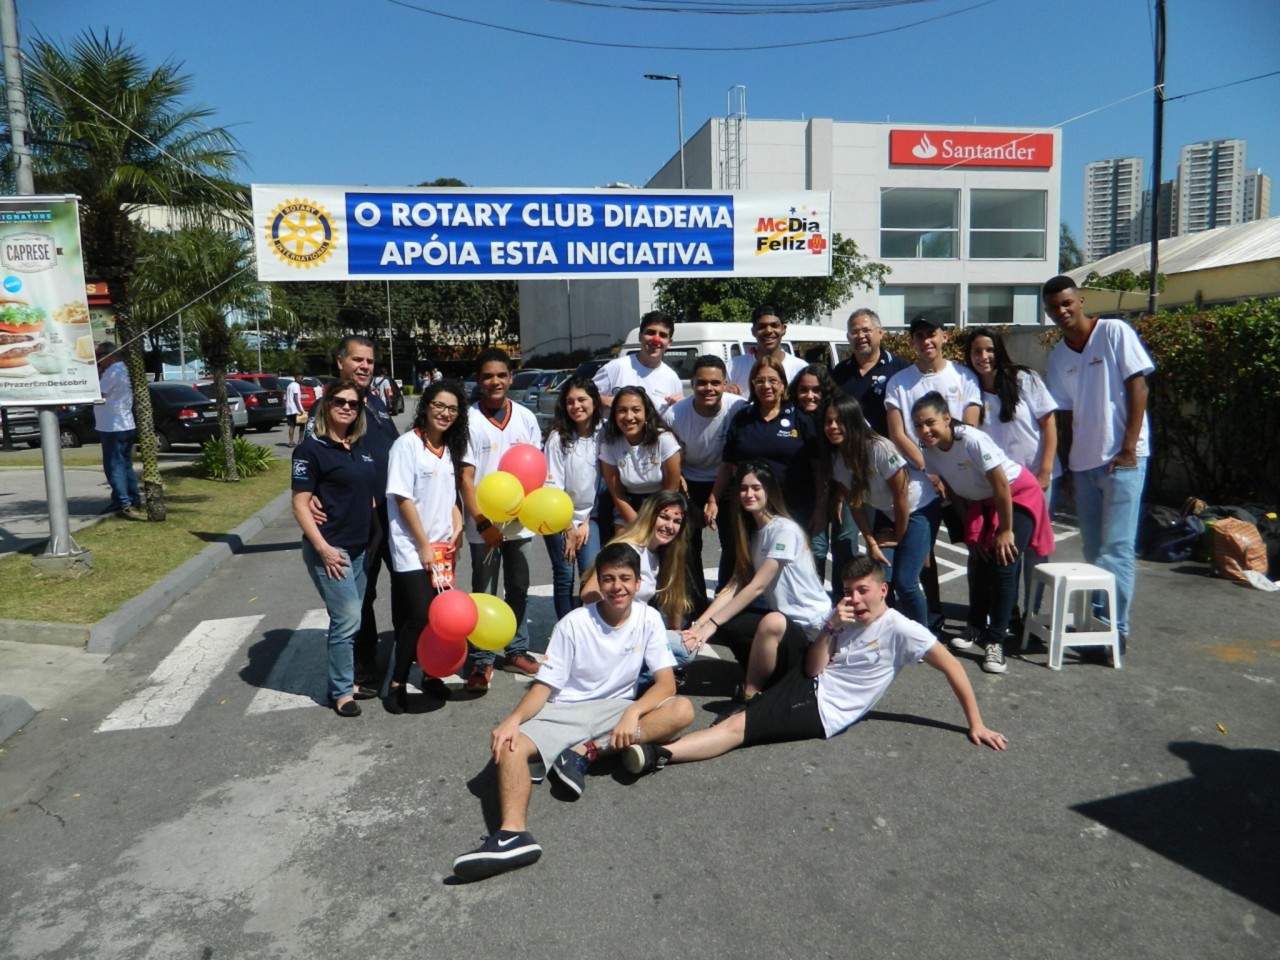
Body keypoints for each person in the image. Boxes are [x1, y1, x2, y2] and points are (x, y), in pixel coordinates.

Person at [622, 556, 1007, 776]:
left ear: (883, 590)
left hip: (824, 707)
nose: (855, 599)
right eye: (849, 590)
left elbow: (952, 666)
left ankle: (659, 754)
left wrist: (976, 723)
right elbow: (813, 666)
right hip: (811, 679)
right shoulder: (844, 615)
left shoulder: (903, 630)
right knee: (771, 621)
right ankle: (743, 689)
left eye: (864, 590)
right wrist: (832, 626)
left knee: (736, 730)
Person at [451, 542, 695, 882]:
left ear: (638, 583)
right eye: (608, 579)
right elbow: (544, 687)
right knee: (510, 745)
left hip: (616, 710)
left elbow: (666, 684)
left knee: (682, 709)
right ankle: (512, 836)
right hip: (567, 710)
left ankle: (585, 752)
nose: (617, 587)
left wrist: (633, 713)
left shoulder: (648, 618)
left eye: (625, 578)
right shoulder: (574, 623)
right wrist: (513, 720)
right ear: (598, 583)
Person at [1043, 276, 1154, 651]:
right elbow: (1064, 416)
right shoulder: (1058, 357)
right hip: (1083, 465)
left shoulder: (1113, 332)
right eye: (1053, 307)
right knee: (1092, 551)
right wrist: (1068, 464)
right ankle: (1094, 623)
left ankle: (1115, 629)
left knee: (1117, 548)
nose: (1061, 311)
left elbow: (1139, 387)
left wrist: (1128, 448)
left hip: (1123, 460)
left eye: (1066, 303)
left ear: (1080, 301)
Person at [911, 392, 1054, 674]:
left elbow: (1001, 484)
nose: (924, 430)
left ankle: (996, 640)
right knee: (978, 560)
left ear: (947, 419)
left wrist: (1006, 530)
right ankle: (975, 626)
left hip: (1016, 495)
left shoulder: (972, 440)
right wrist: (970, 527)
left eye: (930, 422)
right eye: (918, 425)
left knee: (1003, 562)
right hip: (982, 502)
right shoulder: (929, 451)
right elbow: (952, 489)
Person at [681, 462, 831, 708]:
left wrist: (712, 625)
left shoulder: (785, 530)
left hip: (810, 626)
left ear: (769, 491)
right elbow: (734, 585)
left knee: (728, 622)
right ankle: (769, 673)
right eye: (743, 489)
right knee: (729, 623)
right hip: (787, 622)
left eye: (756, 488)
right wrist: (699, 625)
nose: (749, 494)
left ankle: (761, 689)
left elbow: (757, 587)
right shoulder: (755, 536)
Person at [308, 336, 402, 687]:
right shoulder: (331, 405)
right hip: (358, 519)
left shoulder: (375, 401)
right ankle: (363, 664)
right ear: (340, 362)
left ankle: (407, 651)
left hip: (392, 513)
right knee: (362, 594)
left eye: (369, 361)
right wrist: (311, 493)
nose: (364, 366)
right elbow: (312, 453)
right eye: (357, 360)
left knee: (405, 583)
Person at [291, 380, 380, 717]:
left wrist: (373, 530)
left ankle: (347, 680)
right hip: (331, 549)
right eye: (340, 401)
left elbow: (365, 494)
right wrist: (323, 548)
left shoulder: (359, 447)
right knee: (347, 618)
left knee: (351, 620)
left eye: (353, 404)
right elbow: (300, 505)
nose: (346, 407)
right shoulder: (310, 450)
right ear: (326, 405)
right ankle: (341, 692)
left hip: (360, 548)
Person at [963, 326, 1059, 632]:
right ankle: (1008, 614)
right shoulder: (971, 390)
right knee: (1005, 548)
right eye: (976, 351)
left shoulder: (1023, 379)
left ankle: (1033, 614)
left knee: (1034, 550)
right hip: (1000, 485)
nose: (983, 356)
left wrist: (1045, 470)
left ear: (999, 351)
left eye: (989, 349)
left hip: (1035, 479)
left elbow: (1049, 424)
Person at [459, 348, 543, 691]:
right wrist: (482, 523)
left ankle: (516, 649)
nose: (495, 381)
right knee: (485, 591)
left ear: (511, 377)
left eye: (501, 375)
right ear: (478, 380)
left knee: (519, 587)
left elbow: (536, 470)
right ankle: (481, 658)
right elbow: (465, 478)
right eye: (487, 376)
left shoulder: (526, 417)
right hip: (484, 525)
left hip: (521, 521)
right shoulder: (469, 420)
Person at [382, 380, 468, 714]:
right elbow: (402, 499)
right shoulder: (407, 445)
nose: (445, 413)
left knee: (440, 618)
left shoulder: (449, 448)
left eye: (453, 409)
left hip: (443, 548)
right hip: (412, 546)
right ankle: (397, 682)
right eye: (439, 405)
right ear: (426, 406)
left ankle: (432, 673)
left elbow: (451, 497)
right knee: (419, 615)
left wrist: (458, 525)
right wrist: (421, 544)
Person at [821, 392, 941, 626]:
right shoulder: (837, 460)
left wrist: (899, 536)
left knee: (906, 582)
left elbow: (901, 496)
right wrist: (872, 543)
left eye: (839, 420)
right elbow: (855, 504)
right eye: (828, 421)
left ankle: (923, 636)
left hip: (919, 507)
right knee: (881, 581)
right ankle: (887, 630)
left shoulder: (879, 448)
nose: (833, 427)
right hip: (888, 513)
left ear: (854, 420)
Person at [709, 355, 825, 590]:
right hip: (750, 507)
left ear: (783, 384)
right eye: (759, 381)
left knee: (794, 566)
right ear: (752, 384)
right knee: (741, 560)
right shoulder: (742, 418)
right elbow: (727, 464)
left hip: (794, 507)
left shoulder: (800, 418)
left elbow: (819, 468)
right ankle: (733, 610)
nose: (766, 386)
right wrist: (713, 499)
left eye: (772, 380)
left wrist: (821, 509)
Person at [580, 490, 702, 667]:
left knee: (687, 645)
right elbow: (589, 594)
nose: (670, 526)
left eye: (677, 521)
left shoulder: (661, 554)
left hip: (636, 632)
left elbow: (673, 599)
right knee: (681, 652)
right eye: (664, 517)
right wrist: (623, 622)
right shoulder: (628, 548)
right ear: (650, 515)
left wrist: (676, 632)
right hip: (610, 633)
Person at [660, 355, 746, 597]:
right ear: (692, 384)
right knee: (687, 546)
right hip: (689, 482)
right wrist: (686, 495)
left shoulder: (738, 408)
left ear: (725, 384)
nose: (709, 388)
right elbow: (669, 461)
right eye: (702, 383)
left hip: (727, 482)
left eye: (715, 383)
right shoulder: (674, 416)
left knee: (733, 544)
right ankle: (695, 602)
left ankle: (724, 598)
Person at [543, 377, 605, 620]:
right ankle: (565, 629)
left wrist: (587, 521)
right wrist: (568, 527)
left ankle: (588, 628)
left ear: (594, 401)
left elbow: (605, 482)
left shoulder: (605, 432)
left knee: (591, 574)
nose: (576, 406)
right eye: (570, 401)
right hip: (558, 516)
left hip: (590, 517)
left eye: (582, 400)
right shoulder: (557, 438)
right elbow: (552, 487)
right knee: (564, 574)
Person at [599, 385, 682, 530]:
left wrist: (654, 523)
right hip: (628, 504)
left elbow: (672, 489)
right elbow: (617, 494)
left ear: (646, 413)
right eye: (622, 410)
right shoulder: (609, 445)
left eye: (636, 410)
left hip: (664, 503)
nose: (629, 417)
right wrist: (639, 528)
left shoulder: (664, 439)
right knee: (623, 543)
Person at [788, 362, 841, 579]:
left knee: (839, 547)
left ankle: (839, 593)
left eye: (817, 390)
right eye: (803, 390)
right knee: (808, 550)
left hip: (840, 491)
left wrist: (830, 502)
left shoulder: (835, 417)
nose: (809, 396)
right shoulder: (790, 416)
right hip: (802, 496)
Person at [831, 308, 910, 437]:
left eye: (866, 330)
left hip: (889, 446)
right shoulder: (840, 371)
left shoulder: (899, 368)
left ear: (880, 333)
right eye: (854, 332)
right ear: (848, 337)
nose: (860, 336)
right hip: (850, 445)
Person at [591, 310, 684, 412]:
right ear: (640, 337)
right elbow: (585, 397)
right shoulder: (615, 368)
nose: (656, 339)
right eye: (650, 332)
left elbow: (677, 416)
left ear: (669, 343)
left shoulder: (672, 379)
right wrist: (608, 401)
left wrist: (679, 406)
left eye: (662, 335)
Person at [92, 340, 144, 520]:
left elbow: (98, 391)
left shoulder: (113, 371)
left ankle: (124, 502)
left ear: (111, 355)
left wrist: (96, 371)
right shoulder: (123, 370)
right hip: (123, 423)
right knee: (125, 464)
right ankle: (132, 498)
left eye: (100, 355)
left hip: (113, 425)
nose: (97, 359)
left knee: (113, 465)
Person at [727, 305, 808, 395]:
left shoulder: (800, 368)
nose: (768, 331)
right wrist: (725, 391)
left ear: (783, 329)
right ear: (753, 331)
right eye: (762, 326)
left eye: (774, 325)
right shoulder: (734, 366)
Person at [284, 371, 306, 448]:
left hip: (289, 408)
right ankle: (300, 440)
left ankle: (291, 441)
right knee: (302, 424)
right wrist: (299, 408)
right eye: (301, 378)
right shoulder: (296, 385)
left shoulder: (289, 385)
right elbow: (295, 397)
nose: (302, 379)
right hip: (295, 408)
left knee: (292, 425)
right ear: (296, 378)